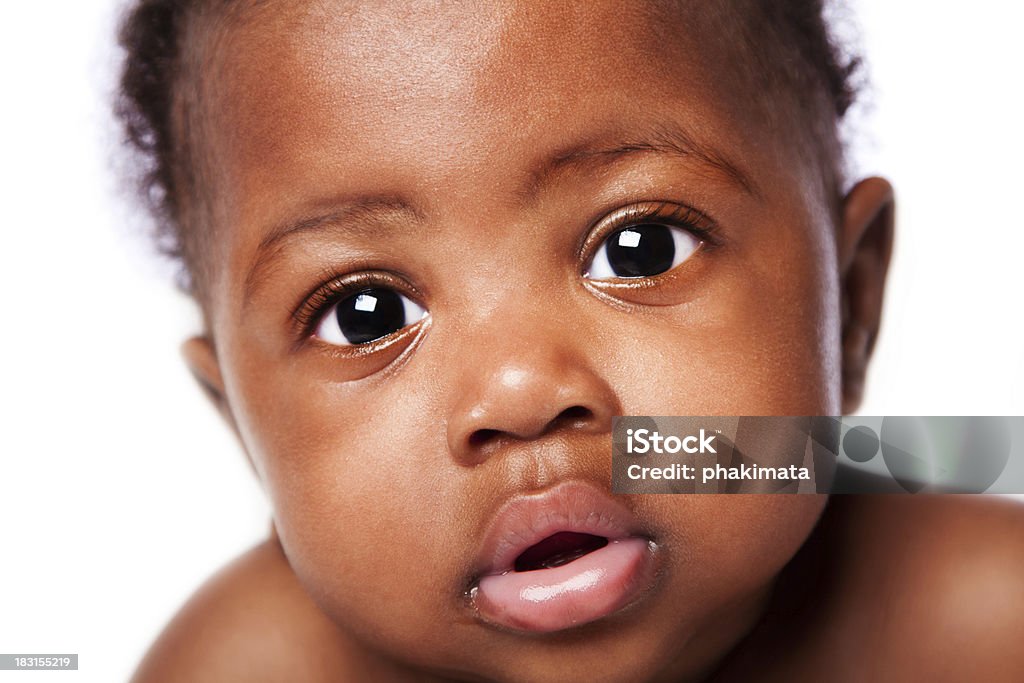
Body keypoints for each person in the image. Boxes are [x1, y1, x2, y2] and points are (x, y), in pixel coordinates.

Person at [117, 1, 1024, 680]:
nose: (519, 392)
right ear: (244, 426)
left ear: (852, 300)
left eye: (638, 249)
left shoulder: (985, 622)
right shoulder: (243, 668)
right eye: (367, 314)